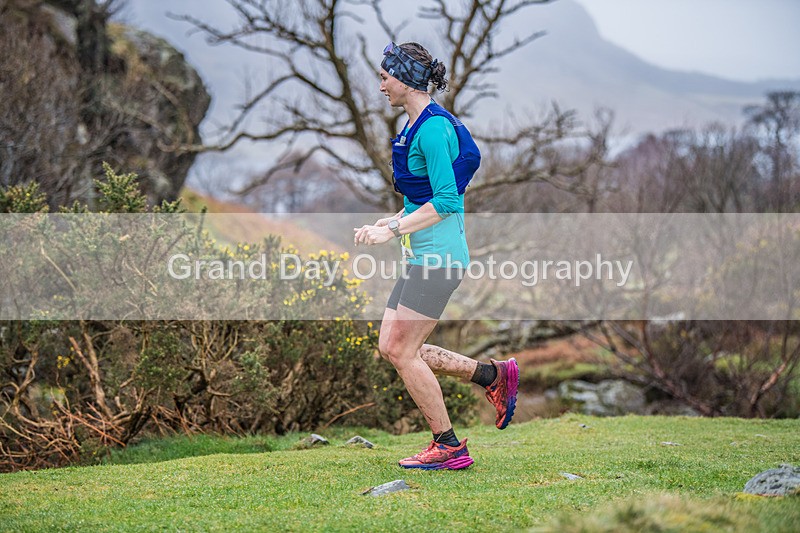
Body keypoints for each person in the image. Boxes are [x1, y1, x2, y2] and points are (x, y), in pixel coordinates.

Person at [353, 42, 519, 470]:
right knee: (393, 347)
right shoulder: (416, 126)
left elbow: (446, 200)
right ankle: (492, 376)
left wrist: (388, 229)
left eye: (386, 76)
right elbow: (417, 203)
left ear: (406, 79)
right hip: (420, 258)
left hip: (439, 260)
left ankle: (448, 446)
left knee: (402, 350)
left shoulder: (431, 129)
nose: (381, 85)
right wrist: (384, 226)